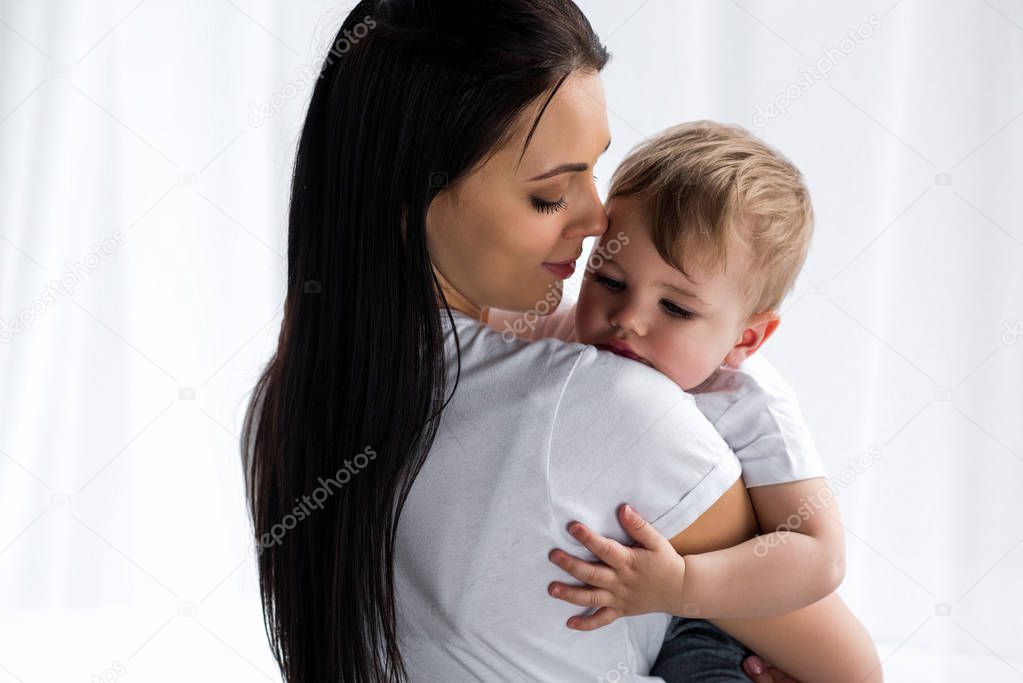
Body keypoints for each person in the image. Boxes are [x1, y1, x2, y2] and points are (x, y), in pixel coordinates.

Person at [241, 1, 875, 680]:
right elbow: (849, 669)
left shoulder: (285, 397)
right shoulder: (612, 405)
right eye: (548, 194)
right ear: (411, 200)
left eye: (593, 170)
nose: (599, 218)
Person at [490, 121, 880, 681]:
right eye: (609, 278)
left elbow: (821, 555)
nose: (628, 318)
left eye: (675, 309)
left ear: (745, 340)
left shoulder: (747, 401)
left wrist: (683, 587)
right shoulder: (572, 334)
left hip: (719, 621)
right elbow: (483, 324)